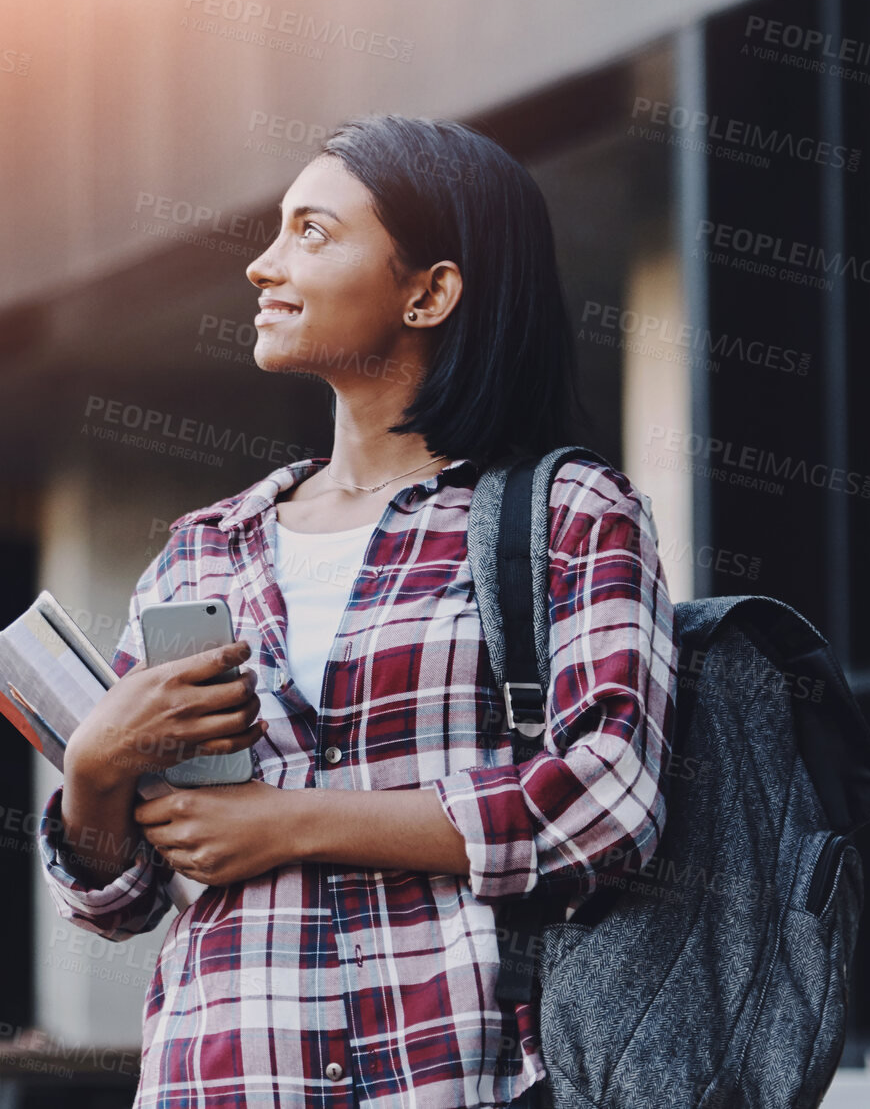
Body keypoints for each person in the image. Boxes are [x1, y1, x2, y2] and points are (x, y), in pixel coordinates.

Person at [38, 114, 678, 1109]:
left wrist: (292, 823)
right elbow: (120, 900)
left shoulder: (565, 514)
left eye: (312, 232)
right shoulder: (205, 548)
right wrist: (94, 771)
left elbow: (606, 804)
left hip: (455, 1079)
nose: (261, 265)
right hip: (222, 1078)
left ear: (429, 292)